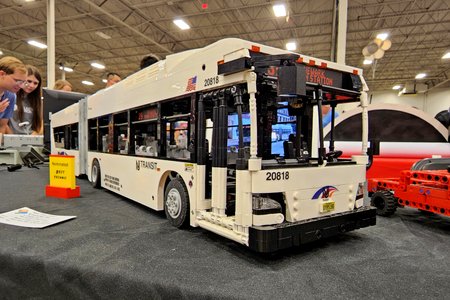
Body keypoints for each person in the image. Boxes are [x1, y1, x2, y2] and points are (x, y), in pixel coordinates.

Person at [9, 65, 43, 135]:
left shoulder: (38, 102)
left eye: (35, 83)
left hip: (30, 141)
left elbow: (40, 124)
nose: (31, 86)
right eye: (29, 81)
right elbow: (3, 123)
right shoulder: (10, 96)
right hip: (10, 139)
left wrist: (33, 136)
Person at [0, 56, 27, 134]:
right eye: (17, 80)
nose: (20, 86)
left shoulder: (11, 96)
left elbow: (2, 126)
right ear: (2, 74)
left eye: (22, 82)